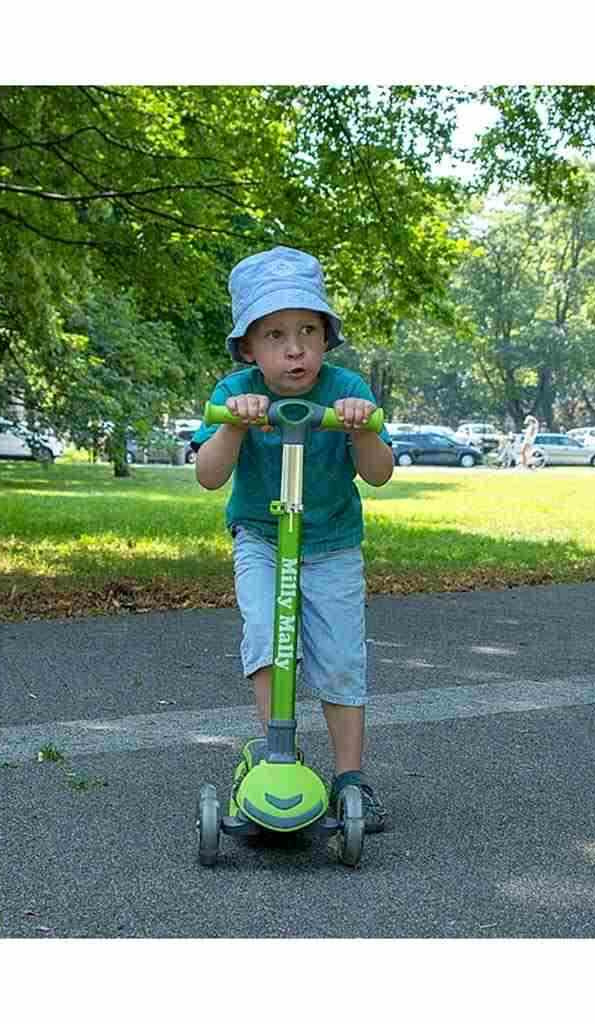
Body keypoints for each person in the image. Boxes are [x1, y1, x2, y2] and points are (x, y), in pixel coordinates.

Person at [192, 245, 394, 833]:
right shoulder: (234, 391)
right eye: (275, 335)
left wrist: (361, 428)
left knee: (340, 656)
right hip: (262, 539)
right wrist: (234, 423)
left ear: (326, 338)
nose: (295, 348)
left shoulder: (346, 388)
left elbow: (379, 473)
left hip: (331, 544)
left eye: (308, 330)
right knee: (266, 636)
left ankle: (350, 779)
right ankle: (278, 753)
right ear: (249, 349)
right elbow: (209, 476)